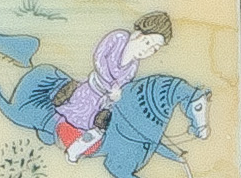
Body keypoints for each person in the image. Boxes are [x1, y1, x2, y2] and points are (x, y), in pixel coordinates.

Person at [54, 11, 173, 161]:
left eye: (154, 49)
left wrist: (117, 93)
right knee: (81, 114)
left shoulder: (133, 66)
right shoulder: (119, 38)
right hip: (91, 89)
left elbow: (123, 83)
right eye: (148, 43)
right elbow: (99, 57)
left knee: (102, 128)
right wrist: (111, 85)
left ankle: (75, 150)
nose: (147, 51)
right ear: (139, 34)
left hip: (106, 100)